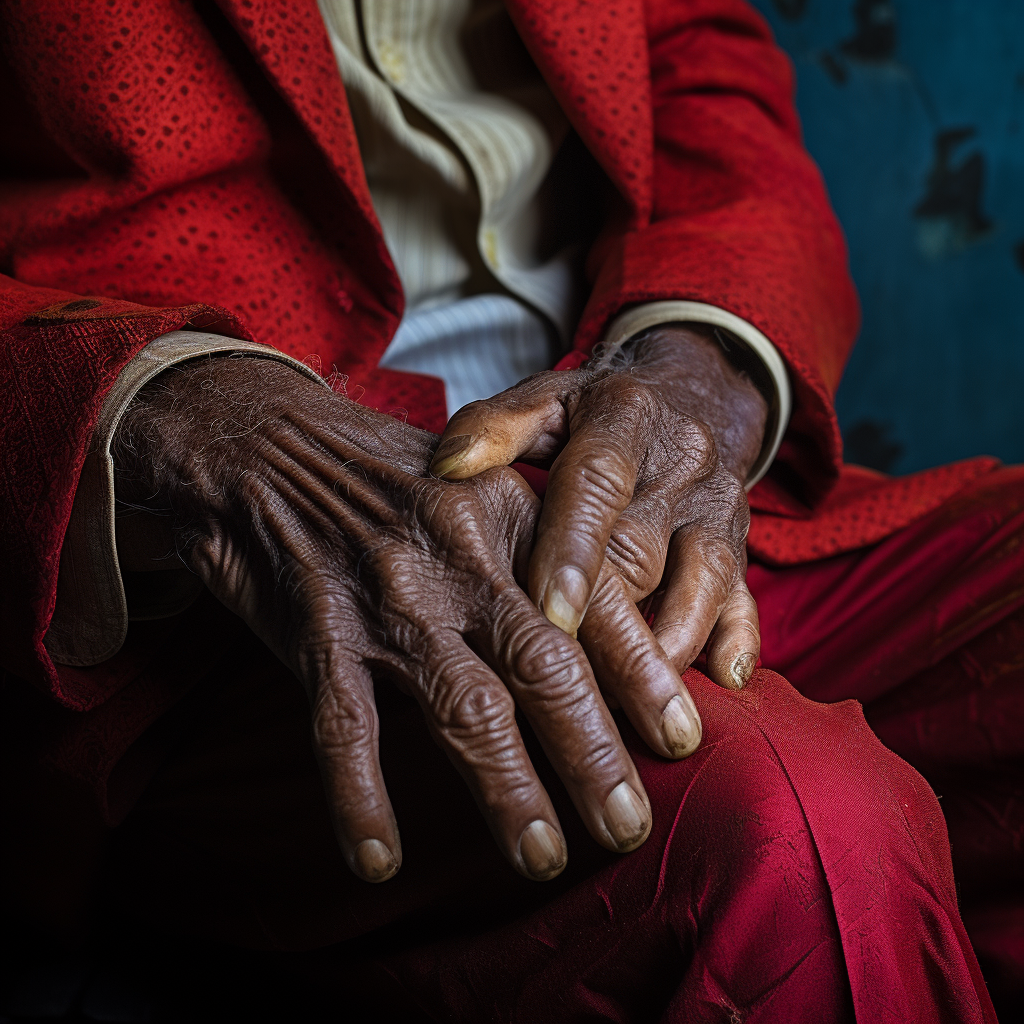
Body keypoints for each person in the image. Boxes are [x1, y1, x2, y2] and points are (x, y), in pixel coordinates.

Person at [0, 0, 1019, 1019]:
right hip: (215, 594)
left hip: (625, 455)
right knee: (790, 838)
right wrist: (186, 419)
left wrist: (695, 368)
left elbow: (697, 64)